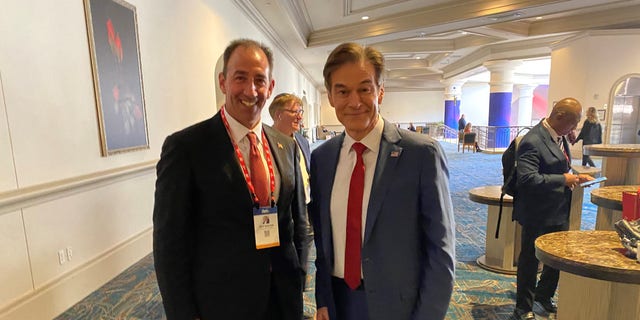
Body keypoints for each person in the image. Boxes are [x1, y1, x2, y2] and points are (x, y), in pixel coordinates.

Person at [153, 39, 311, 320]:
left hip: (284, 296)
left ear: (270, 88)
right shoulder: (187, 147)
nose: (251, 90)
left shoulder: (285, 144)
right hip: (223, 302)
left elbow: (297, 220)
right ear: (223, 82)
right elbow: (170, 245)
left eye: (259, 80)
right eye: (240, 78)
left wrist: (299, 274)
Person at [309, 42, 456, 320]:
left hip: (398, 307)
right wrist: (323, 300)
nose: (355, 102)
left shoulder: (421, 154)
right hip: (339, 303)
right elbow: (323, 242)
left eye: (365, 89)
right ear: (330, 96)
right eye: (343, 91)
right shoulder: (322, 159)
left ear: (381, 91)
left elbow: (441, 250)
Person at [512, 97, 594, 320]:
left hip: (558, 208)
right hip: (537, 211)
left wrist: (575, 177)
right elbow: (527, 179)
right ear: (559, 116)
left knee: (557, 258)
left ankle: (544, 296)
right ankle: (523, 307)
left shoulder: (559, 136)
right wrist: (563, 179)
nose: (575, 127)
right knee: (530, 259)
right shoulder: (532, 140)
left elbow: (559, 165)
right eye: (574, 121)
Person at [268, 92, 317, 317]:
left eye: (301, 112)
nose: (300, 117)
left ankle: (297, 299)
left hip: (305, 209)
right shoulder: (265, 142)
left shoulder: (302, 141)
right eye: (295, 112)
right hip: (280, 216)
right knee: (285, 264)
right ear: (278, 115)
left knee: (304, 258)